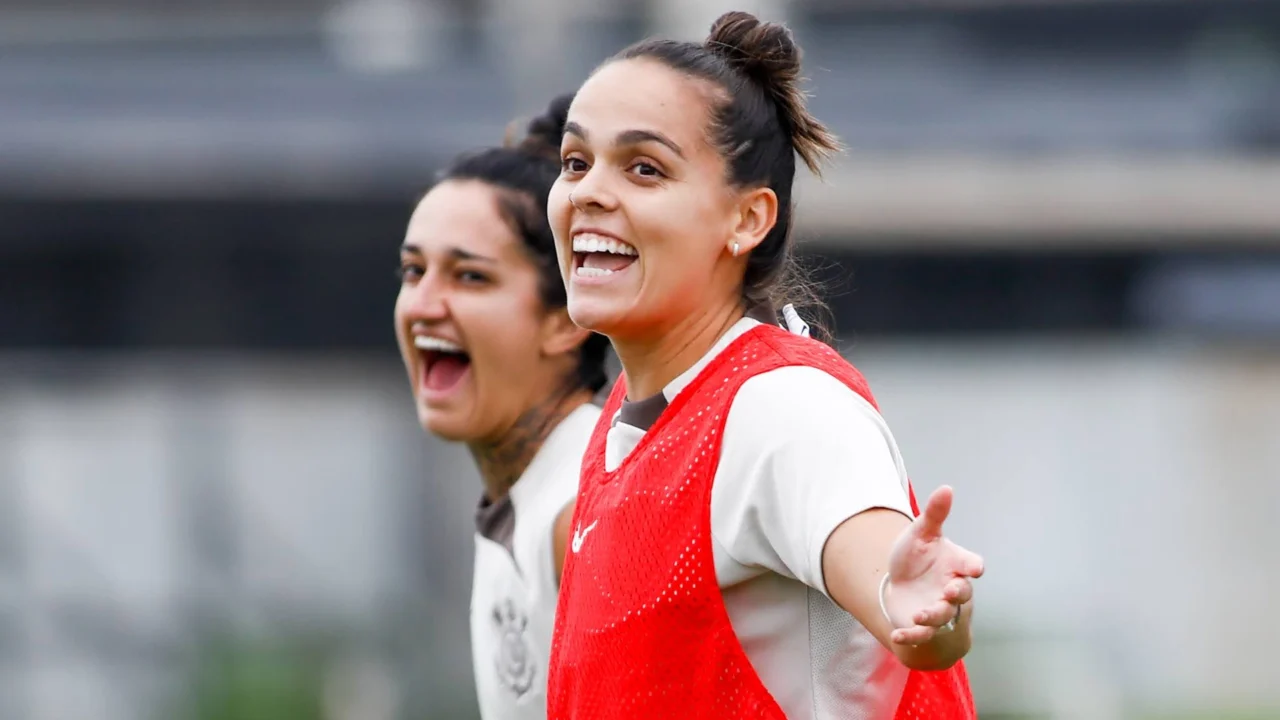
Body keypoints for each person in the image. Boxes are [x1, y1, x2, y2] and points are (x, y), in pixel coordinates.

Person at [544, 11, 987, 720]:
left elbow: (884, 573)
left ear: (748, 219)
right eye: (575, 162)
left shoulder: (783, 409)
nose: (589, 191)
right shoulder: (628, 420)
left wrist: (915, 603)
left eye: (645, 168)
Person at [393, 95, 611, 720]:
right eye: (413, 272)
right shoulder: (522, 505)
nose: (424, 305)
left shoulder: (592, 511)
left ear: (565, 319)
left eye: (470, 277)